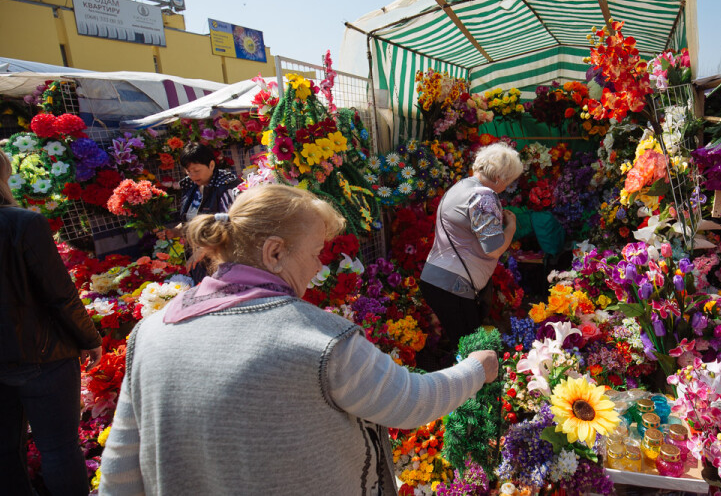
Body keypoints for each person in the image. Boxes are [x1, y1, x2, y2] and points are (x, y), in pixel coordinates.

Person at [98, 184, 498, 496]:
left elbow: (121, 464)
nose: (320, 264)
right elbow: (412, 402)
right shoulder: (318, 340)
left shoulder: (150, 332)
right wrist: (477, 368)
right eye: (316, 252)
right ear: (275, 253)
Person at [0, 149, 103, 496]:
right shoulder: (22, 223)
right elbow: (59, 293)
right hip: (43, 356)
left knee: (4, 453)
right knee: (58, 449)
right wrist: (89, 337)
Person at [419, 142, 523, 369]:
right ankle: (466, 400)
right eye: (508, 179)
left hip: (437, 278)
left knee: (464, 344)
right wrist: (511, 227)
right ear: (499, 177)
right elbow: (493, 248)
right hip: (454, 285)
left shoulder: (460, 187)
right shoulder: (484, 196)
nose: (507, 185)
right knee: (470, 351)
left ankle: (461, 394)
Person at [161, 143, 241, 282]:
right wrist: (175, 231)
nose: (192, 176)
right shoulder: (190, 186)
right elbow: (190, 220)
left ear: (211, 165)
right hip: (198, 260)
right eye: (188, 171)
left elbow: (230, 222)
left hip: (221, 259)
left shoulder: (226, 185)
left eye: (196, 170)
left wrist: (204, 248)